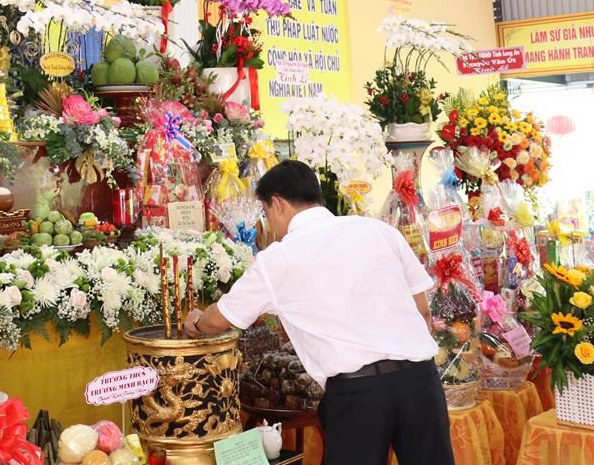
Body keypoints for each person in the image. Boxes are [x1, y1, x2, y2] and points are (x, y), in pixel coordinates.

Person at [185, 160, 452, 465]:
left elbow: (220, 319)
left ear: (277, 204)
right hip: (421, 382)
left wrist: (197, 322)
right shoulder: (379, 230)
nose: (270, 224)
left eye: (266, 214)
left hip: (358, 394)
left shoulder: (279, 257)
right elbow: (422, 311)